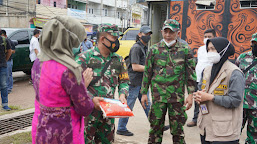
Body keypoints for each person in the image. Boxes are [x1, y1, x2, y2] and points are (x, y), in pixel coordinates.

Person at [31, 16, 103, 144]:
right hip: (65, 135)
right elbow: (84, 109)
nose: (79, 47)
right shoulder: (69, 70)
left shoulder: (38, 62)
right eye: (78, 43)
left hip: (41, 131)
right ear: (68, 41)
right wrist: (84, 86)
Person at [141, 19, 196, 144]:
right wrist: (144, 93)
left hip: (176, 97)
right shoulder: (154, 49)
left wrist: (191, 94)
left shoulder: (185, 50)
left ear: (178, 33)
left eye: (171, 32)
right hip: (157, 97)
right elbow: (147, 73)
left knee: (178, 131)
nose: (167, 35)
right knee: (155, 129)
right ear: (161, 32)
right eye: (165, 32)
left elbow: (191, 74)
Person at [76, 23, 129, 144]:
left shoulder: (119, 60)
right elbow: (75, 87)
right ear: (102, 39)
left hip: (108, 115)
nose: (117, 42)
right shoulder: (84, 58)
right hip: (88, 114)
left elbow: (124, 81)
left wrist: (123, 94)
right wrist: (91, 99)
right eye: (114, 39)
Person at [194, 37, 245, 143]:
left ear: (223, 50)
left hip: (224, 132)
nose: (210, 52)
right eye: (208, 49)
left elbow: (235, 100)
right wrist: (198, 96)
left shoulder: (234, 73)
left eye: (213, 49)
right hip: (206, 128)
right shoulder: (207, 70)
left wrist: (211, 97)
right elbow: (201, 88)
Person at [116, 26, 152, 136]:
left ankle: (155, 124)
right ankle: (121, 128)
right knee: (128, 105)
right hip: (134, 82)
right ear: (140, 34)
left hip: (141, 82)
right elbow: (135, 67)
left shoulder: (144, 47)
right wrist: (151, 69)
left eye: (149, 34)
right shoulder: (136, 48)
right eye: (146, 34)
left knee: (147, 104)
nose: (148, 36)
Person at [187, 29, 216, 127]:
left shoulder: (215, 49)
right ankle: (195, 119)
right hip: (198, 78)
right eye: (205, 37)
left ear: (214, 37)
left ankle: (206, 120)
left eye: (209, 36)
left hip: (208, 80)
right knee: (197, 99)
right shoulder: (200, 49)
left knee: (205, 101)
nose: (207, 39)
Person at [236, 33, 257, 144]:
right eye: (254, 43)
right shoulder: (242, 57)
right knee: (233, 132)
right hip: (240, 103)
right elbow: (234, 76)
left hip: (256, 107)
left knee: (254, 136)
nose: (255, 45)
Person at [0, 29, 12, 111]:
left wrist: (5, 60)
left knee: (4, 85)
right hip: (3, 64)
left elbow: (9, 51)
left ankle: (5, 104)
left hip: (2, 66)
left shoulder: (4, 40)